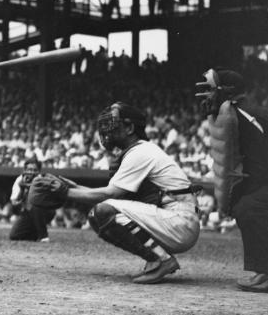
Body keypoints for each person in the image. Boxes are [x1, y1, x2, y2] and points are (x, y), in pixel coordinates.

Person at [62, 102, 200, 284]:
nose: (106, 130)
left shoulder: (140, 152)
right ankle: (156, 259)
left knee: (103, 212)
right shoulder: (139, 150)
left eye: (112, 125)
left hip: (179, 221)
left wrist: (66, 193)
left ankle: (162, 260)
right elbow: (112, 195)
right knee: (99, 213)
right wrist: (73, 187)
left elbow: (108, 195)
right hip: (173, 219)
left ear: (129, 128)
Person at [196, 68, 268, 293]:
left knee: (250, 208)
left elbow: (261, 159)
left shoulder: (245, 113)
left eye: (211, 90)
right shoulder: (235, 111)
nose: (206, 95)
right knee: (245, 207)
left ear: (228, 92)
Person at [8, 158, 54, 242]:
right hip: (28, 211)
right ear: (24, 170)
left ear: (39, 171)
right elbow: (14, 202)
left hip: (46, 211)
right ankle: (35, 234)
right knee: (14, 236)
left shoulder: (43, 179)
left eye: (35, 170)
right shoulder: (20, 180)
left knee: (35, 202)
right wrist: (22, 189)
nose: (32, 172)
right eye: (29, 169)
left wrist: (29, 187)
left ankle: (44, 236)